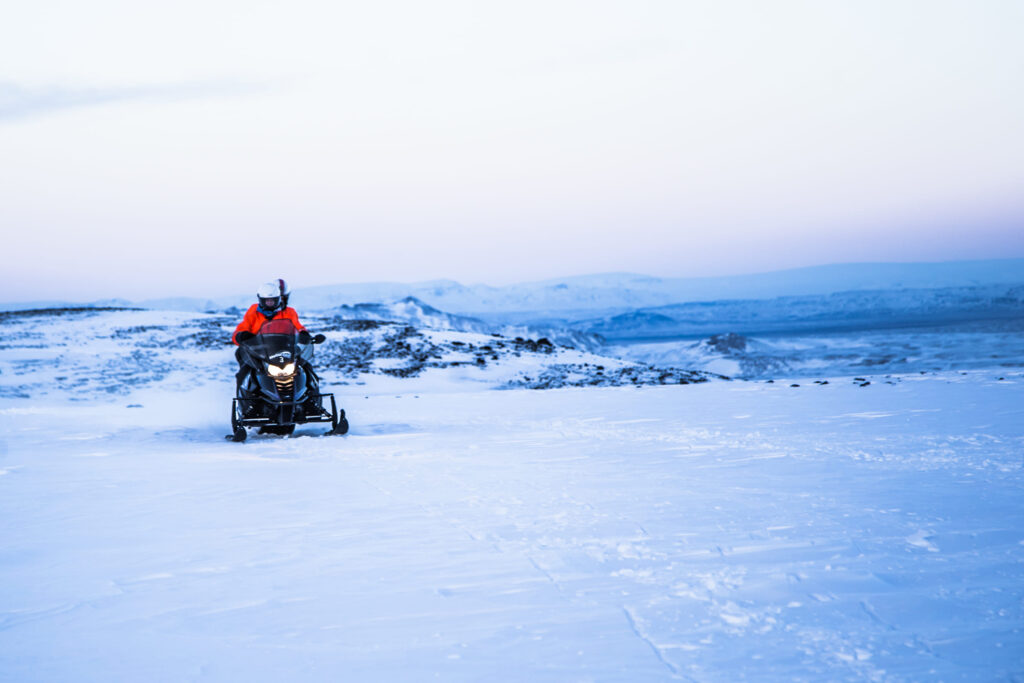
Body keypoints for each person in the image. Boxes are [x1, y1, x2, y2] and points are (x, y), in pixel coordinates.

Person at [232, 279, 311, 388]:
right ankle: (245, 395)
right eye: (267, 301)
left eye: (272, 300)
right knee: (245, 371)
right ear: (261, 300)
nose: (269, 303)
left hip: (285, 349)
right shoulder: (253, 311)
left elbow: (298, 326)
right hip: (259, 350)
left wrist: (304, 334)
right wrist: (240, 335)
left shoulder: (289, 312)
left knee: (306, 367)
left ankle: (312, 393)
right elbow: (242, 328)